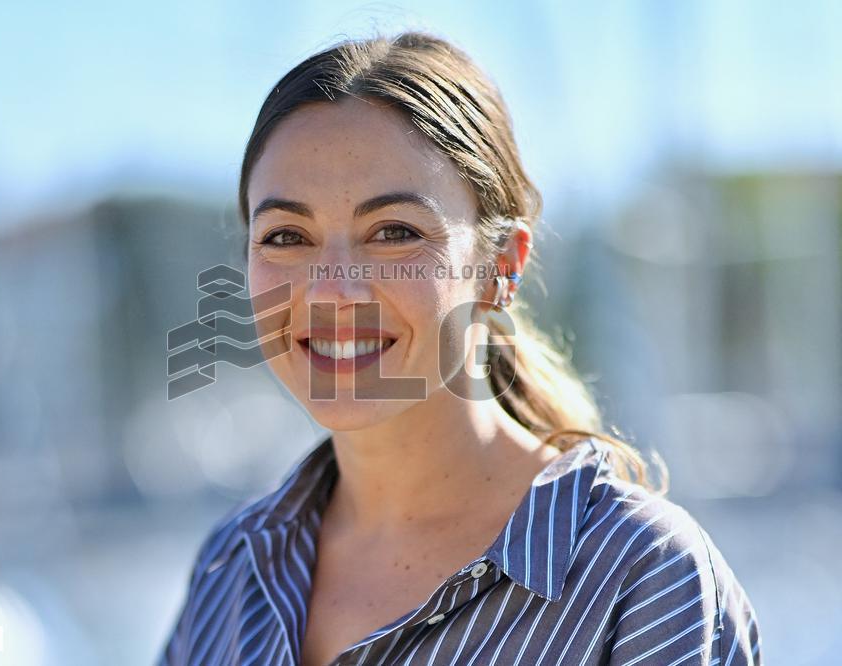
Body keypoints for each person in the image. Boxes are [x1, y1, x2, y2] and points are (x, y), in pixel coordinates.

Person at [158, 30, 762, 665]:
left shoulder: (641, 579)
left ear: (502, 261)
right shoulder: (232, 569)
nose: (332, 290)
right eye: (285, 236)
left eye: (393, 232)